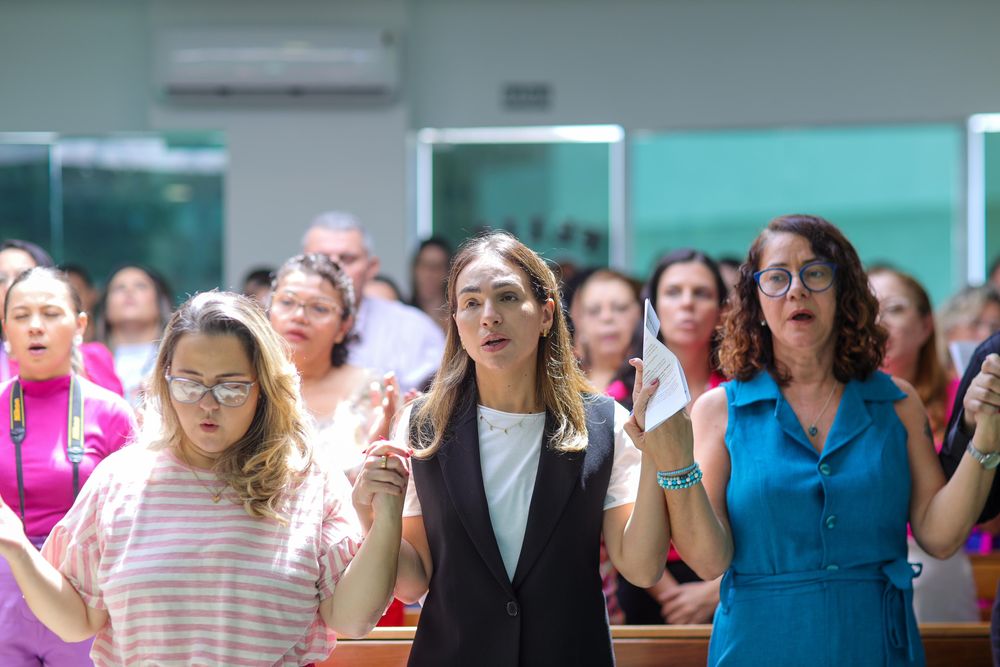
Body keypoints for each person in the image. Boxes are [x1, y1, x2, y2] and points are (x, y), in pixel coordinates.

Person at [358, 231, 730, 666]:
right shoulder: (422, 425)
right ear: (456, 320)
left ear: (547, 314)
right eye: (471, 303)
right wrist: (374, 511)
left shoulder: (604, 421)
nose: (489, 316)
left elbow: (641, 567)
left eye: (508, 298)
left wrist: (652, 450)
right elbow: (412, 581)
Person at [0, 291, 407, 666]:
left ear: (263, 389)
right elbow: (77, 621)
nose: (207, 404)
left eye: (230, 388)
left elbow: (353, 619)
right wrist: (18, 546)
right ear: (164, 379)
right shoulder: (119, 481)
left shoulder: (307, 478)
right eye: (189, 384)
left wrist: (386, 514)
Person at [702, 214, 998, 666]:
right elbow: (706, 557)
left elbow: (939, 536)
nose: (796, 289)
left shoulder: (897, 402)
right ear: (754, 299)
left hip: (875, 642)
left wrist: (986, 437)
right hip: (759, 642)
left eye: (815, 273)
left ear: (845, 292)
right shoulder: (720, 410)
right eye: (777, 278)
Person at [0, 267, 134, 666]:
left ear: (79, 325)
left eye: (50, 313)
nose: (35, 327)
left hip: (87, 591)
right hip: (5, 587)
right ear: (5, 328)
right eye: (21, 316)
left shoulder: (111, 413)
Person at [615, 248, 729, 625]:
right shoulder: (618, 397)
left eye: (701, 293)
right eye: (674, 292)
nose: (687, 304)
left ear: (722, 308)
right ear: (654, 305)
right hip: (644, 574)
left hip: (729, 574)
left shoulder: (739, 395)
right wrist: (668, 593)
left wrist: (713, 588)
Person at [868, 265, 978, 622]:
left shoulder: (963, 398)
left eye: (895, 308)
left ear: (927, 325)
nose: (879, 321)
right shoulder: (836, 401)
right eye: (869, 309)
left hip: (941, 559)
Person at [268, 254, 397, 479]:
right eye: (287, 302)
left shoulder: (372, 390)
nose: (299, 316)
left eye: (319, 308)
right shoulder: (247, 383)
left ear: (344, 326)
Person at [302, 211, 445, 393]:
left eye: (347, 259)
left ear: (371, 268)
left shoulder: (416, 332)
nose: (333, 269)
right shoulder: (283, 329)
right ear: (300, 266)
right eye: (321, 259)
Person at [0, 241, 122, 396]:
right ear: (5, 327)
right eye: (0, 279)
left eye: (22, 276)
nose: (9, 285)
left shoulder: (92, 358)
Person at [95, 264, 174, 405]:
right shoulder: (88, 361)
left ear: (160, 302)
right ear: (106, 306)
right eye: (119, 288)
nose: (129, 291)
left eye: (140, 286)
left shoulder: (176, 359)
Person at [408, 237, 452, 331]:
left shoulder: (456, 319)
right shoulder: (404, 315)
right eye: (424, 265)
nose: (429, 274)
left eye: (437, 267)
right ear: (415, 269)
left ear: (448, 272)